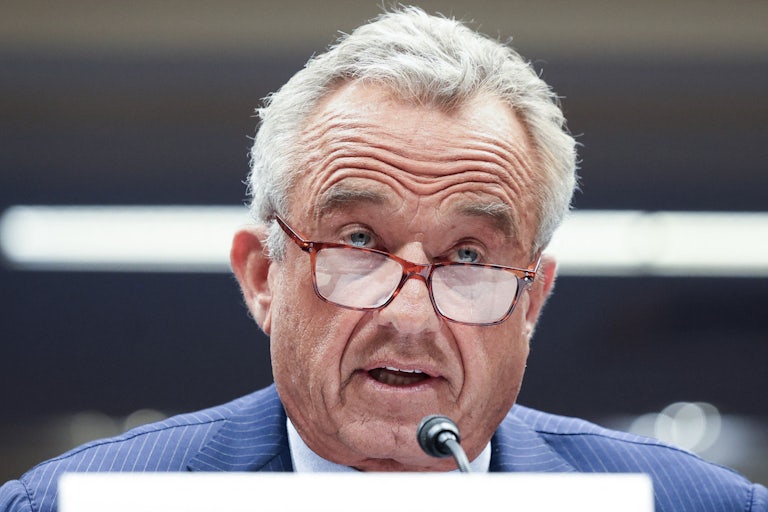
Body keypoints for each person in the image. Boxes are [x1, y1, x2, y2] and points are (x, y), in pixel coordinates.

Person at [1, 6, 766, 512]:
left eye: (469, 255)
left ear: (531, 302)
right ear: (264, 276)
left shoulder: (695, 507)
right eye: (358, 243)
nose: (409, 314)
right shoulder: (69, 503)